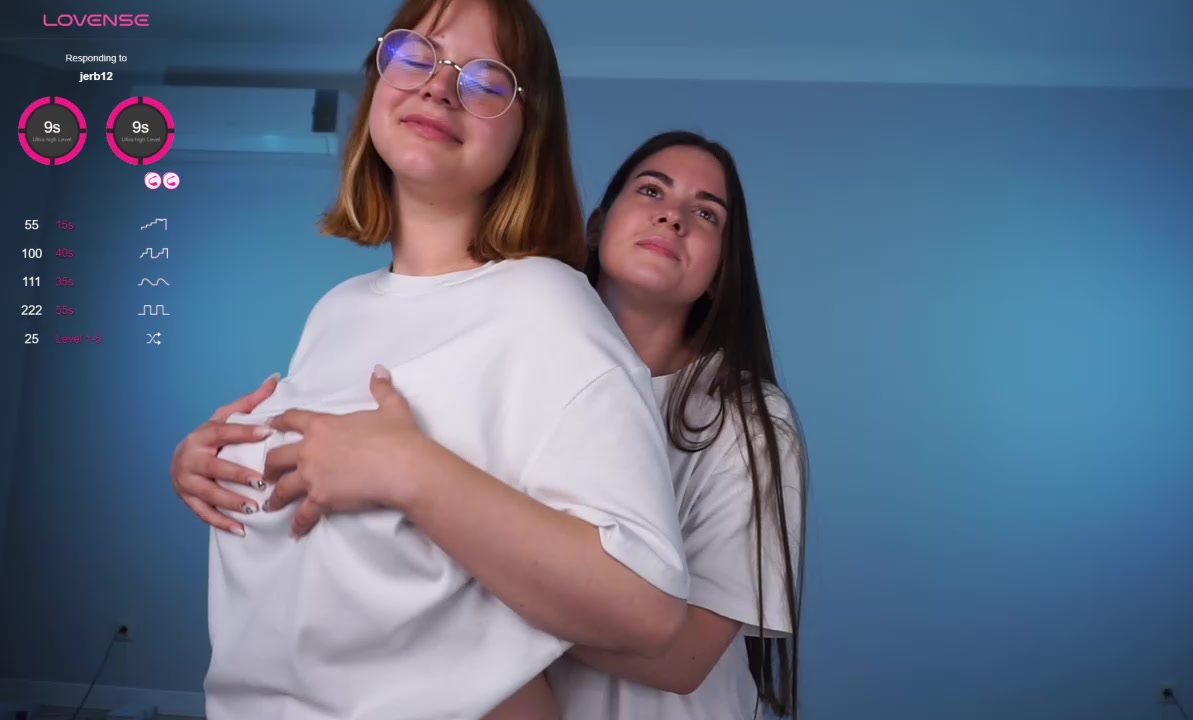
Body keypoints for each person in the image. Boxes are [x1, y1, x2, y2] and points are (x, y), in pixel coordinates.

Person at [168, 0, 690, 718]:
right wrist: (219, 466)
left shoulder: (547, 305)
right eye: (418, 54)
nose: (441, 86)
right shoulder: (339, 310)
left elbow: (649, 609)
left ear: (527, 134)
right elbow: (347, 542)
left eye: (486, 79)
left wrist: (410, 471)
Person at [543, 131, 806, 719]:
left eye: (706, 213)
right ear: (596, 228)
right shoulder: (520, 372)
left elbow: (683, 661)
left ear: (718, 273)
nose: (673, 216)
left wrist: (473, 587)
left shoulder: (752, 422)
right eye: (651, 190)